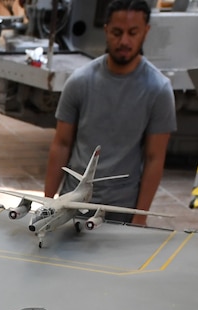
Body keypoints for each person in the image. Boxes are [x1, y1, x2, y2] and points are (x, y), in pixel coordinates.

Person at [42, 0, 175, 225]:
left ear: (146, 31)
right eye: (117, 32)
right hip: (74, 203)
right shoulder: (80, 82)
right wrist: (47, 204)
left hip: (120, 208)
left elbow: (154, 158)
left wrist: (140, 218)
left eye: (133, 33)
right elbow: (61, 144)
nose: (124, 41)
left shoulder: (158, 90)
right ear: (105, 31)